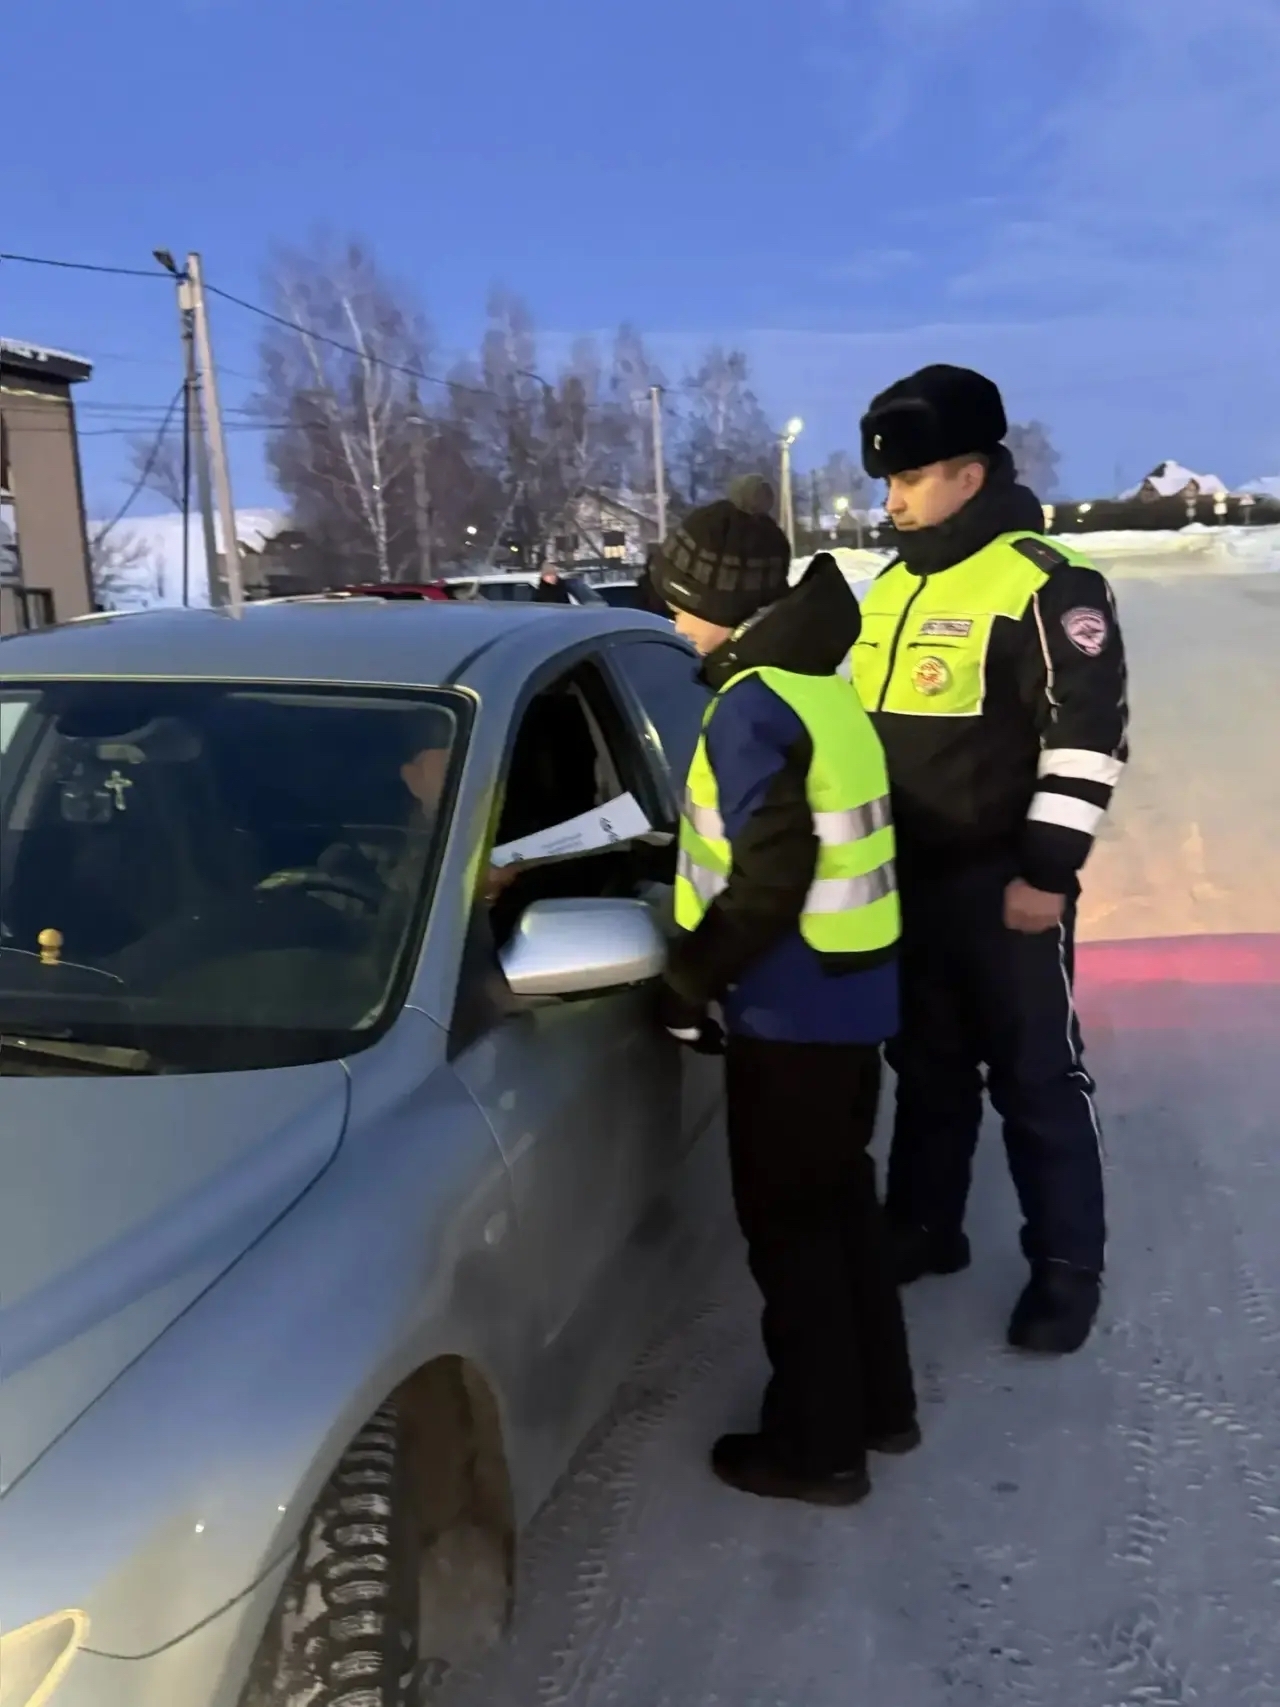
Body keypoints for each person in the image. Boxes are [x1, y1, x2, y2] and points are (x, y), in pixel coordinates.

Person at [852, 363, 1129, 1356]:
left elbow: (1087, 737)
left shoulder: (1047, 583)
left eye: (907, 479)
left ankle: (1065, 1266)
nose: (889, 500)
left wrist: (1045, 873)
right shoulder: (890, 586)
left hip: (1003, 881)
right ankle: (925, 1228)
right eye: (886, 482)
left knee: (1035, 1078)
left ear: (967, 475)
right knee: (924, 1069)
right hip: (906, 883)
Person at [650, 480, 917, 1507]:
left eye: (675, 601)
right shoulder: (817, 683)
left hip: (793, 1012)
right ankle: (879, 1408)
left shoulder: (750, 705)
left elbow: (767, 878)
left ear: (712, 603)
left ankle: (816, 1450)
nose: (669, 621)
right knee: (842, 1208)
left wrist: (684, 984)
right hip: (853, 999)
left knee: (788, 1233)